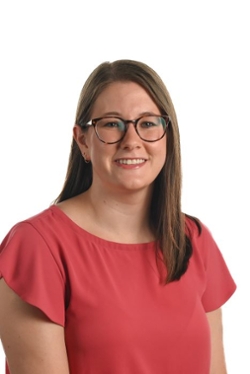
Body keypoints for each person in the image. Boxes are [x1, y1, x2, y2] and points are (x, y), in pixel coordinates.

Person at [0, 59, 236, 374]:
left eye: (148, 122)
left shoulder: (193, 239)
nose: (132, 140)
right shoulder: (37, 246)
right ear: (83, 139)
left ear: (168, 134)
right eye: (112, 124)